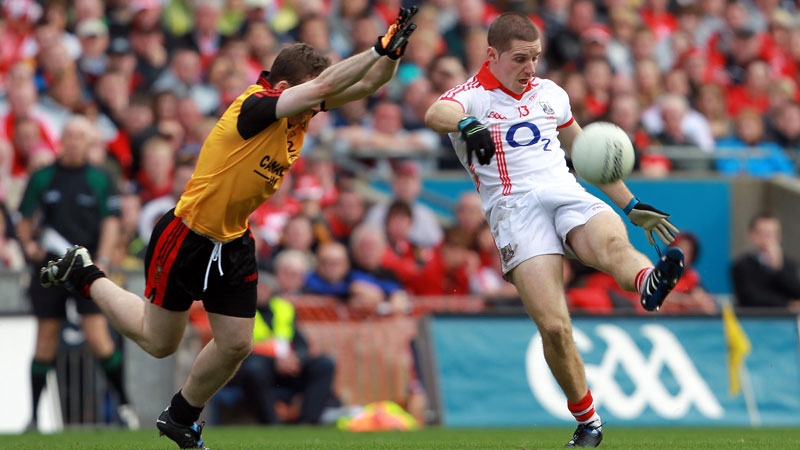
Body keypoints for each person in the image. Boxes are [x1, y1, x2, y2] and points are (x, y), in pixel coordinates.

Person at [38, 7, 419, 449]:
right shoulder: (255, 106)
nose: (316, 109)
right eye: (308, 98)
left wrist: (394, 50)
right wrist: (376, 46)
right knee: (158, 341)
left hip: (233, 238)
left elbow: (370, 83)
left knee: (237, 343)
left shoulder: (303, 105)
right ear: (281, 88)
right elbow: (327, 85)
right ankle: (85, 272)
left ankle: (181, 416)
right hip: (187, 234)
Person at [424, 12, 685, 447]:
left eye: (536, 58)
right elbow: (437, 112)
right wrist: (468, 125)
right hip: (514, 210)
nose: (531, 68)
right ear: (492, 55)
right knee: (555, 327)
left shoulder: (551, 94)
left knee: (611, 240)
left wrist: (631, 203)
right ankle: (588, 420)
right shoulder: (471, 97)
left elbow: (587, 154)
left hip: (564, 190)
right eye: (520, 59)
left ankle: (647, 281)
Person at [15, 116, 138, 430]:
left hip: (85, 269)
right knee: (45, 340)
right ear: (61, 140)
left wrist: (104, 259)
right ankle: (32, 417)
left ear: (88, 142)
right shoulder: (43, 177)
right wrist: (28, 244)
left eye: (78, 137)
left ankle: (125, 405)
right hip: (49, 269)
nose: (72, 142)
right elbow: (25, 219)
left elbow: (111, 223)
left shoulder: (99, 179)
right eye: (67, 136)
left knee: (98, 338)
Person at [226, 286, 336, 425]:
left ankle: (309, 422)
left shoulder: (283, 309)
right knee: (253, 369)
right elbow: (235, 347)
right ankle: (271, 423)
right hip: (256, 366)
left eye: (263, 287)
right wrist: (275, 361)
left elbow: (302, 344)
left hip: (288, 366)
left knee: (325, 364)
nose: (260, 292)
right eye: (256, 287)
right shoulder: (238, 312)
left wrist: (296, 358)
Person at [732, 213, 800, 311]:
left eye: (772, 233)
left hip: (787, 322)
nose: (767, 238)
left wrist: (778, 267)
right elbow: (752, 298)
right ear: (751, 235)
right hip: (754, 321)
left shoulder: (789, 265)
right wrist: (788, 304)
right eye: (763, 233)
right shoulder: (741, 266)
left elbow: (796, 292)